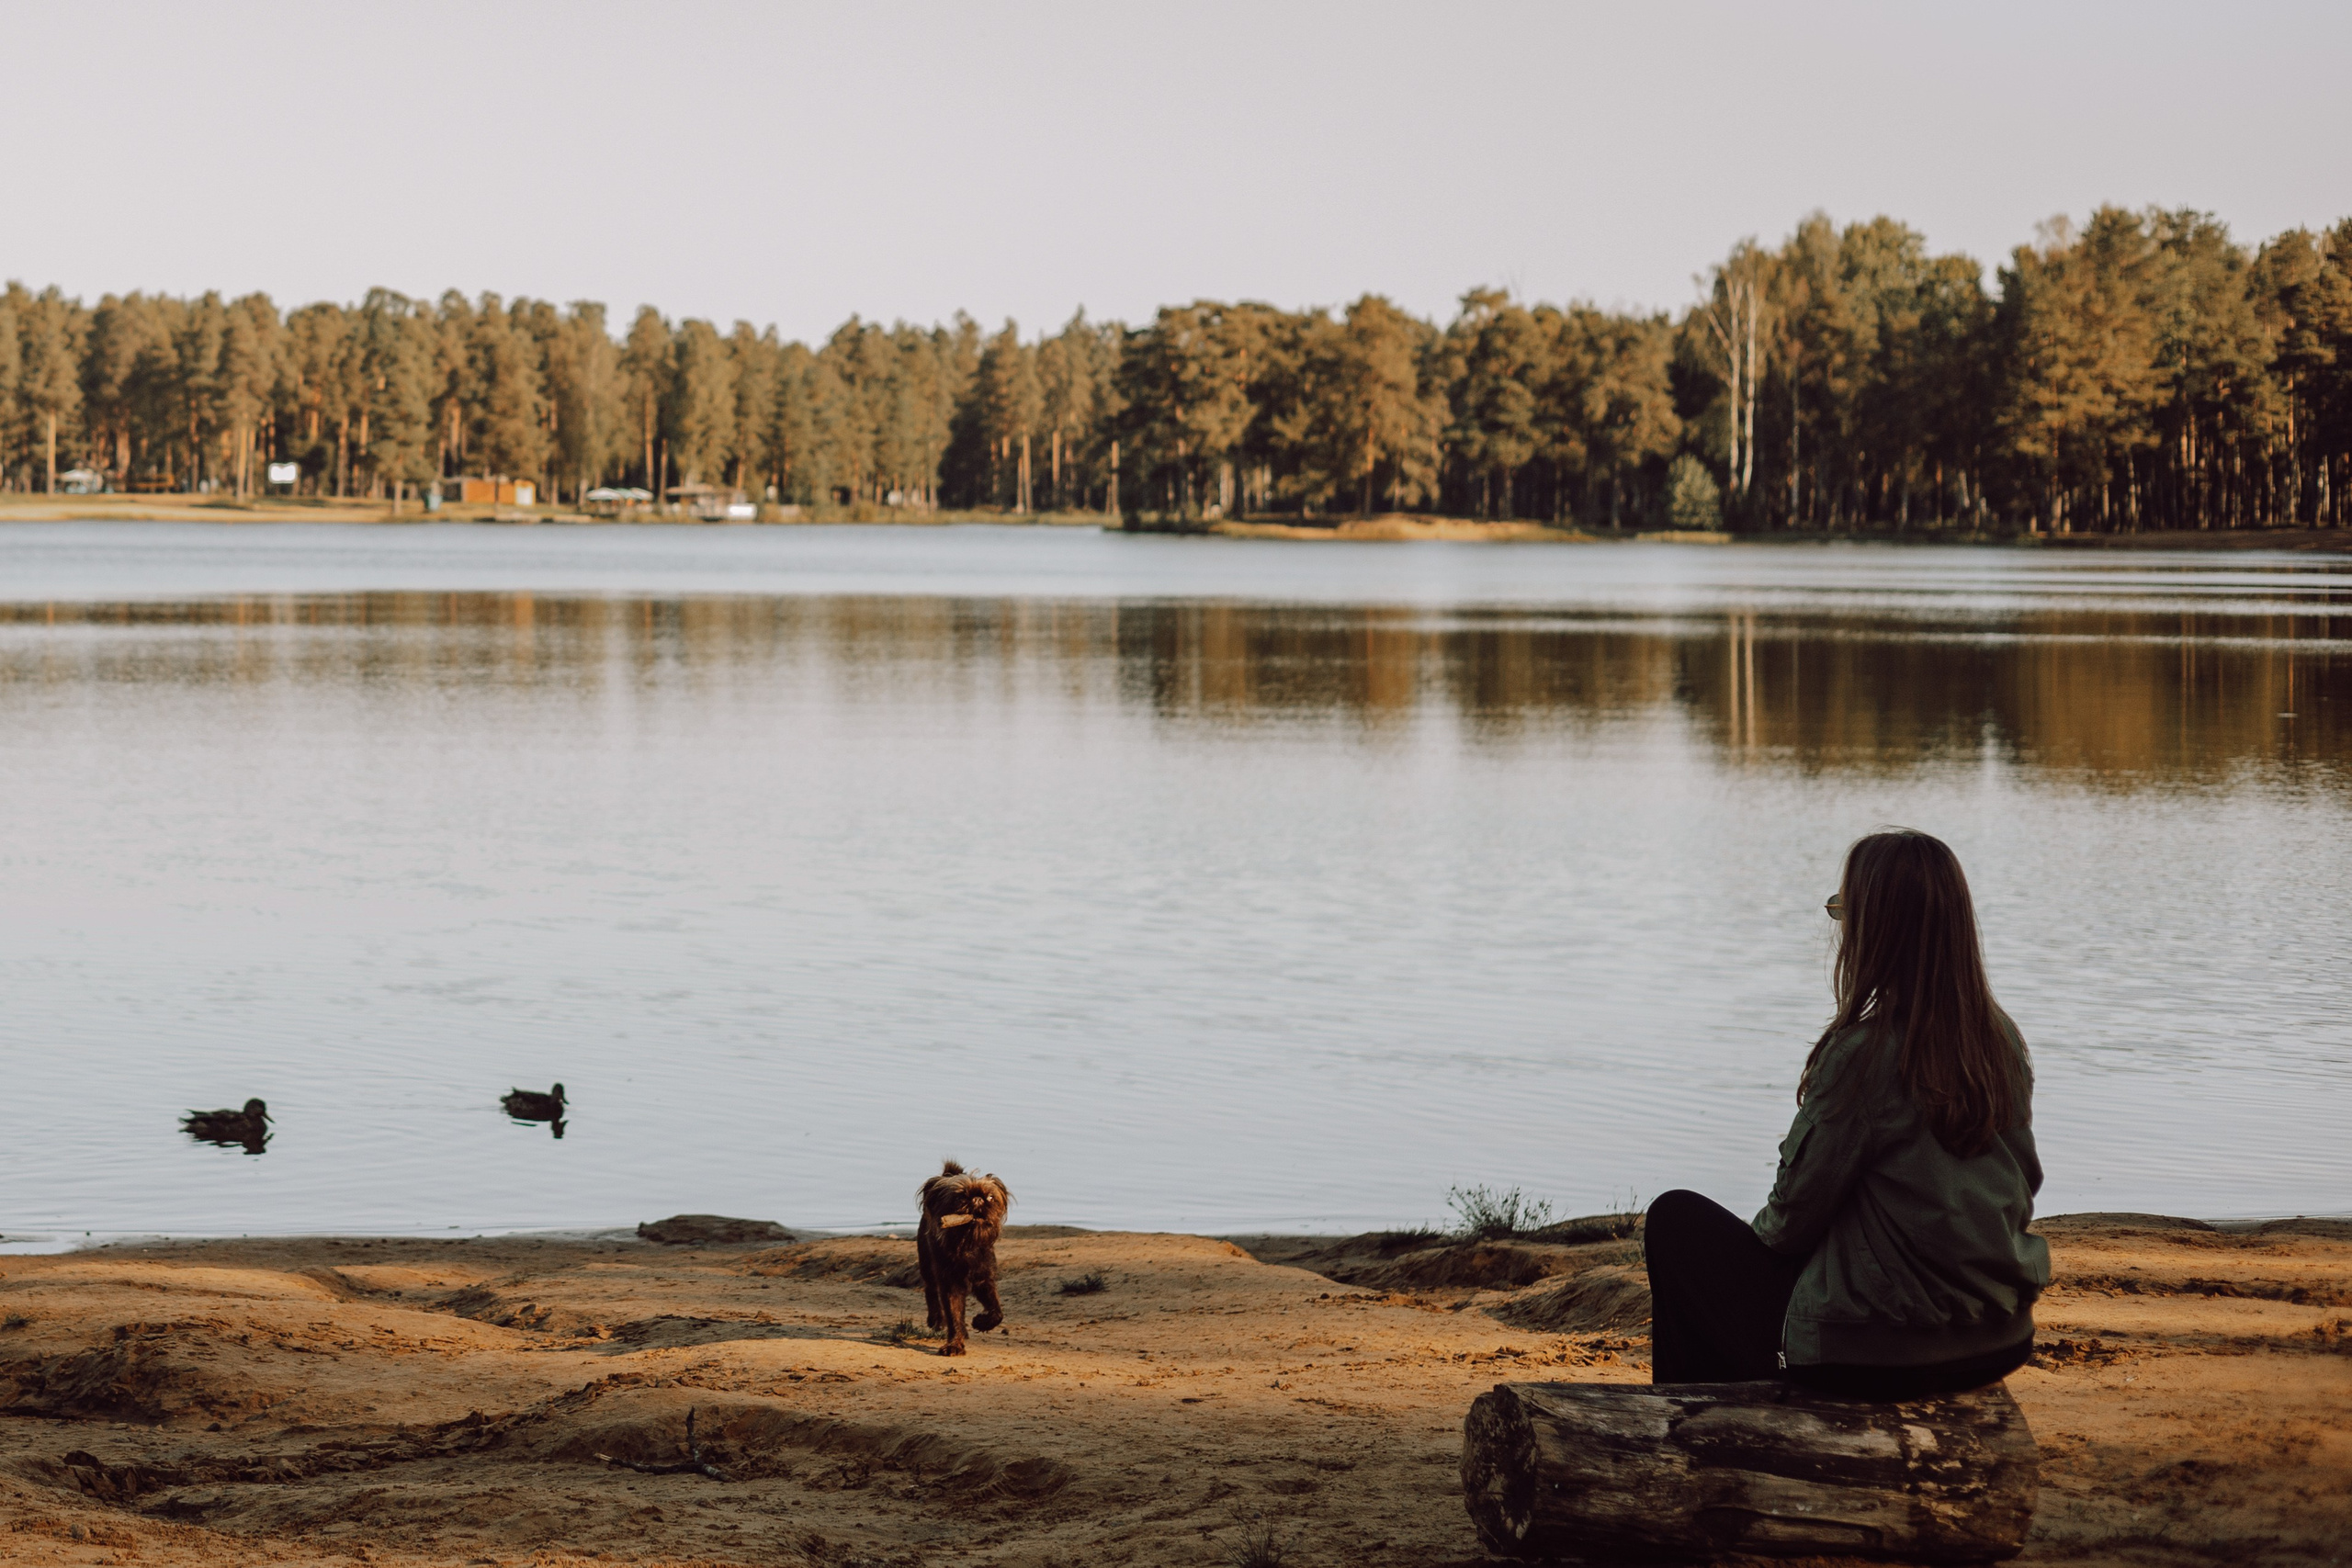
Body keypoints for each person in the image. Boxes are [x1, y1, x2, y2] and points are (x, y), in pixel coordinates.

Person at [1644, 829, 2050, 1399]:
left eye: (1843, 911)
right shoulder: (1999, 1038)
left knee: (1674, 1221)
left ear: (1877, 929)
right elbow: (2016, 1186)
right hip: (1998, 1337)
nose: (1841, 930)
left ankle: (1693, 1422)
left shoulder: (1863, 1056)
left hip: (1890, 1350)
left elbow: (1788, 1223)